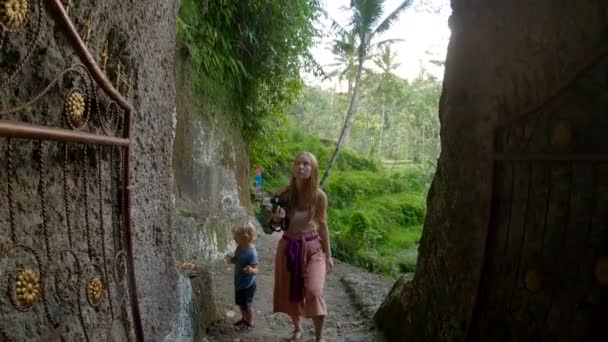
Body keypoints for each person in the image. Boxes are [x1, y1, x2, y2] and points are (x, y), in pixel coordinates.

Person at [267, 152, 334, 342]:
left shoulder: (319, 196)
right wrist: (275, 219)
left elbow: (323, 227)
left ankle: (319, 337)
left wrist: (328, 256)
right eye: (297, 163)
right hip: (289, 247)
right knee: (291, 291)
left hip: (313, 248)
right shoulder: (282, 194)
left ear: (313, 170)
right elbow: (271, 227)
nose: (301, 166)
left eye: (306, 164)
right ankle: (297, 329)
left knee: (314, 291)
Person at [225, 222, 259, 332]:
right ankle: (244, 319)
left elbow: (256, 270)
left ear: (245, 237)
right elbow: (237, 259)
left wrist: (251, 270)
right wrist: (232, 260)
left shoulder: (252, 253)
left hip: (247, 285)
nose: (233, 238)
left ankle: (249, 323)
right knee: (240, 303)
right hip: (239, 282)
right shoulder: (239, 248)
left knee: (246, 305)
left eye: (235, 236)